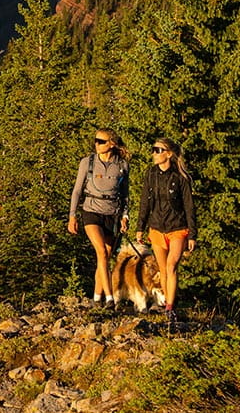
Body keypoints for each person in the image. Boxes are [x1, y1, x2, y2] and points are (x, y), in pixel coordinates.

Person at [136, 137, 196, 328]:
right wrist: (140, 227)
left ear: (168, 154)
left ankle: (170, 308)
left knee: (171, 267)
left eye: (158, 150)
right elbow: (145, 201)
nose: (154, 153)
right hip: (156, 228)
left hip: (178, 228)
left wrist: (193, 234)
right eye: (153, 150)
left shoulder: (181, 178)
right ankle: (166, 305)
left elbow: (189, 207)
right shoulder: (151, 174)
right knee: (163, 270)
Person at [68, 128, 130, 309]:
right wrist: (72, 215)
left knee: (105, 257)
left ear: (112, 143)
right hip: (91, 211)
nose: (97, 144)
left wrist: (125, 216)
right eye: (95, 140)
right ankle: (109, 297)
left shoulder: (122, 165)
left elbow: (125, 194)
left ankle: (96, 298)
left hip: (112, 214)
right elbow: (77, 190)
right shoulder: (87, 163)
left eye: (101, 141)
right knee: (101, 252)